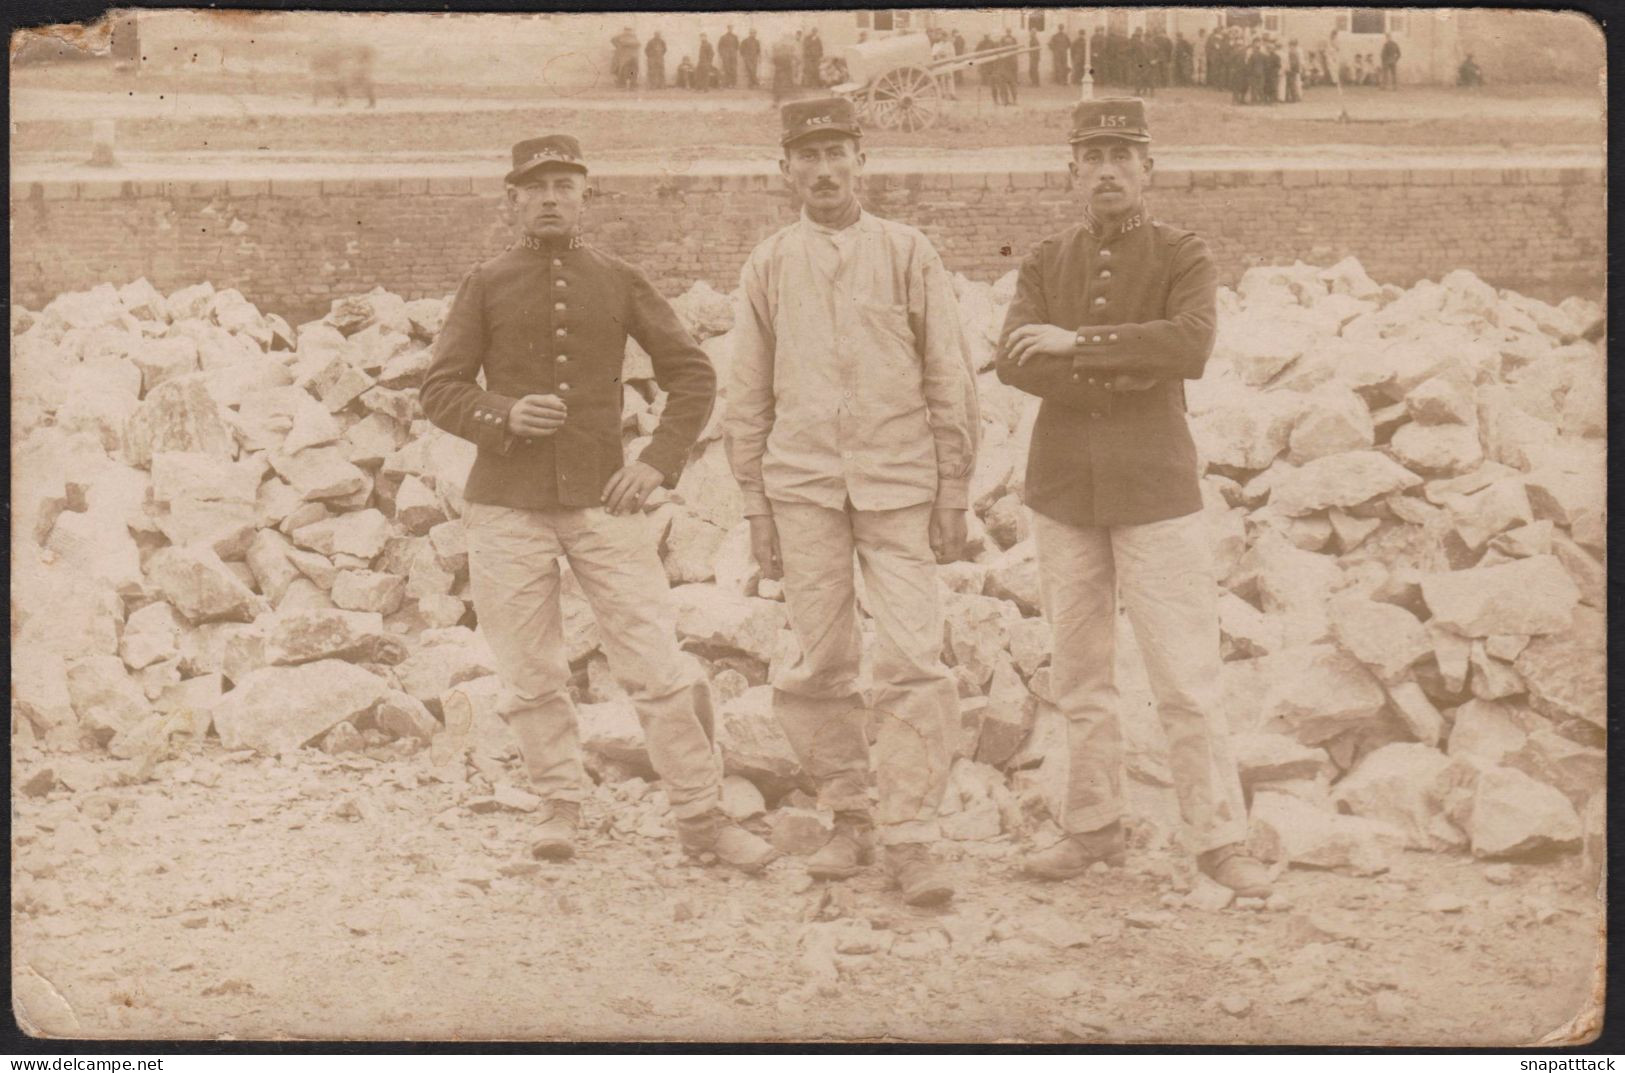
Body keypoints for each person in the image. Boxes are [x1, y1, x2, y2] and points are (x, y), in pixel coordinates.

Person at [421, 136, 777, 874]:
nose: (551, 197)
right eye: (535, 186)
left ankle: (701, 815)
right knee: (529, 671)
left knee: (654, 662)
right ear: (511, 199)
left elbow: (691, 375)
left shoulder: (618, 279)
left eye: (565, 183)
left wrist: (655, 462)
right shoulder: (484, 283)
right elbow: (439, 389)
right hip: (506, 504)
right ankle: (558, 803)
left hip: (606, 502)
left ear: (585, 194)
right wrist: (503, 414)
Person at [994, 98, 1273, 899]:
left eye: (1123, 155)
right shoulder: (1046, 259)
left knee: (1185, 677)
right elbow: (1015, 359)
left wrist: (1076, 344)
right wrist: (1131, 365)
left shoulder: (1183, 252)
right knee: (1080, 674)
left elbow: (1191, 343)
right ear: (1071, 171)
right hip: (1063, 489)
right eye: (1093, 156)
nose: (1108, 170)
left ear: (1149, 170)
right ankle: (1090, 827)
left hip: (1157, 489)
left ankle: (1219, 838)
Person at [725, 97, 980, 907]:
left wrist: (955, 487)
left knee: (913, 655)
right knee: (819, 661)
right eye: (808, 156)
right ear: (785, 172)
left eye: (838, 153)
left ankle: (913, 836)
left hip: (899, 486)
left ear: (862, 162)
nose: (825, 170)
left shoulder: (908, 253)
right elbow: (747, 393)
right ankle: (851, 812)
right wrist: (755, 505)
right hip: (802, 489)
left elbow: (949, 374)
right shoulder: (767, 264)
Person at [771, 32, 797, 103]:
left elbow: (791, 55)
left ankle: (779, 93)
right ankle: (777, 95)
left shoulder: (786, 48)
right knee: (780, 80)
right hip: (782, 66)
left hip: (784, 66)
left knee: (782, 79)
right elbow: (775, 58)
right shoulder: (780, 48)